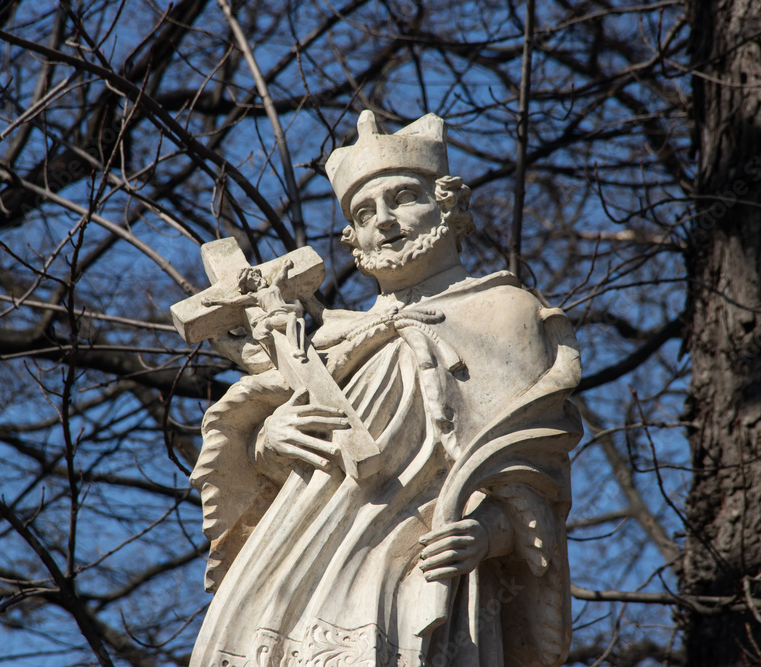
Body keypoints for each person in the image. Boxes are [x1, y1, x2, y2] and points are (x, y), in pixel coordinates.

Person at [188, 111, 582, 667]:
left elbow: (532, 466)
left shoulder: (503, 314)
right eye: (364, 212)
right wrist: (268, 440)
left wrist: (487, 533)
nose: (385, 221)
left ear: (448, 205)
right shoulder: (325, 337)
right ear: (352, 238)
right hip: (291, 564)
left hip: (418, 560)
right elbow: (267, 441)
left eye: (403, 198)